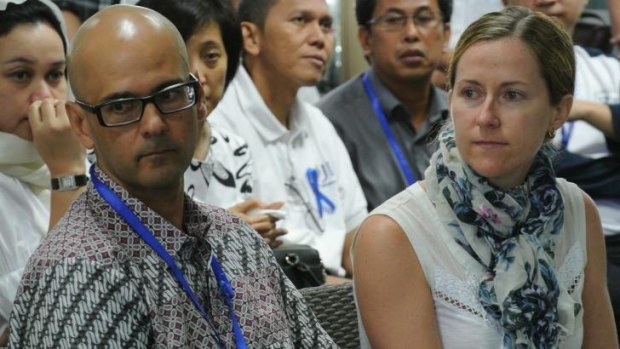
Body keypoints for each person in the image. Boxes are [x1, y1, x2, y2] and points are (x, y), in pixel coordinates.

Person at [7, 5, 336, 347]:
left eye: (169, 95)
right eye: (121, 106)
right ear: (81, 125)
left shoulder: (238, 239)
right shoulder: (78, 274)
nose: (154, 124)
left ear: (199, 102)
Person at [353, 6, 617, 348]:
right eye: (471, 93)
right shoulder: (393, 233)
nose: (486, 116)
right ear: (450, 100)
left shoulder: (578, 210)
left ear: (559, 111)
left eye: (512, 95)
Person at [210, 0, 368, 277]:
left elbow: (356, 235)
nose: (319, 38)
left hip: (340, 294)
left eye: (325, 25)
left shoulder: (319, 124)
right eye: (300, 20)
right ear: (251, 37)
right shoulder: (217, 126)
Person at [504, 0, 620, 337]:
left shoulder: (608, 69)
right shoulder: (492, 66)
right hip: (531, 245)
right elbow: (519, 169)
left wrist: (584, 111)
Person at [135, 0, 287, 248]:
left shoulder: (234, 149)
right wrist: (221, 233)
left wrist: (256, 238)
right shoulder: (136, 146)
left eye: (211, 56)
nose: (196, 75)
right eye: (179, 56)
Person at [0, 0, 86, 344]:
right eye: (20, 75)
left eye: (55, 75)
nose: (43, 97)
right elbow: (70, 299)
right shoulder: (72, 162)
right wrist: (67, 174)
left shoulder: (88, 159)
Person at [317, 0, 451, 211]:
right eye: (394, 20)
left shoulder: (465, 115)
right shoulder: (327, 122)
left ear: (446, 33)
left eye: (424, 19)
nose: (411, 33)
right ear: (365, 39)